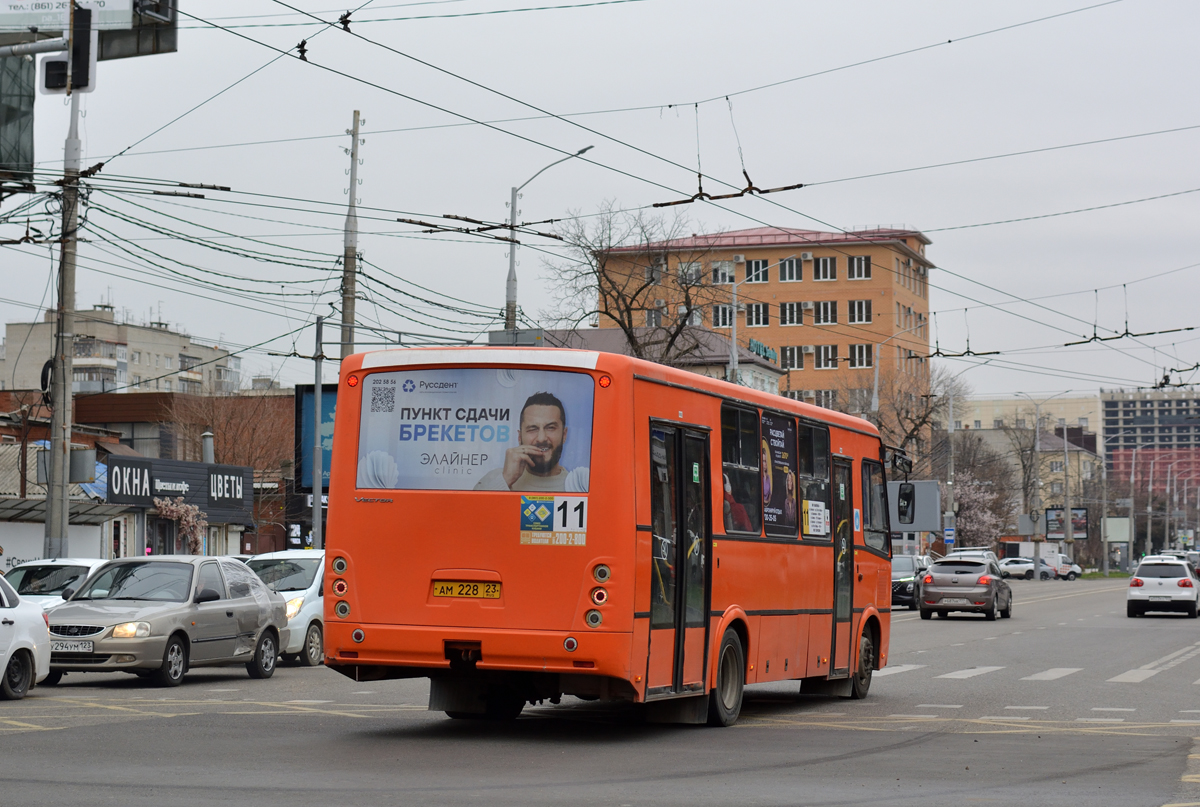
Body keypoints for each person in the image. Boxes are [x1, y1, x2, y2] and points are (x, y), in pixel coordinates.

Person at [474, 392, 585, 491]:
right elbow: (470, 513)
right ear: (519, 437)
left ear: (564, 435)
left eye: (550, 428)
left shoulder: (579, 486)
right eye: (532, 429)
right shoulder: (494, 479)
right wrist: (506, 479)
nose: (541, 438)